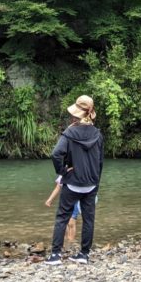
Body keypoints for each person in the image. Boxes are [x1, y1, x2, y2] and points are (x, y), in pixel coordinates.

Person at [45, 95, 103, 265]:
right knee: (88, 220)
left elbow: (56, 154)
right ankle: (84, 254)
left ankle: (55, 255)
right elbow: (100, 162)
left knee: (62, 217)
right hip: (91, 184)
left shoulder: (70, 133)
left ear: (77, 114)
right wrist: (96, 182)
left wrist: (62, 172)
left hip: (72, 183)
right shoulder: (98, 134)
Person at [45, 174, 80, 248]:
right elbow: (57, 187)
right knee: (64, 221)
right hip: (66, 200)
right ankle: (65, 241)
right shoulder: (64, 174)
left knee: (71, 222)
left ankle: (71, 242)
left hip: (76, 200)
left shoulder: (80, 172)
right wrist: (50, 200)